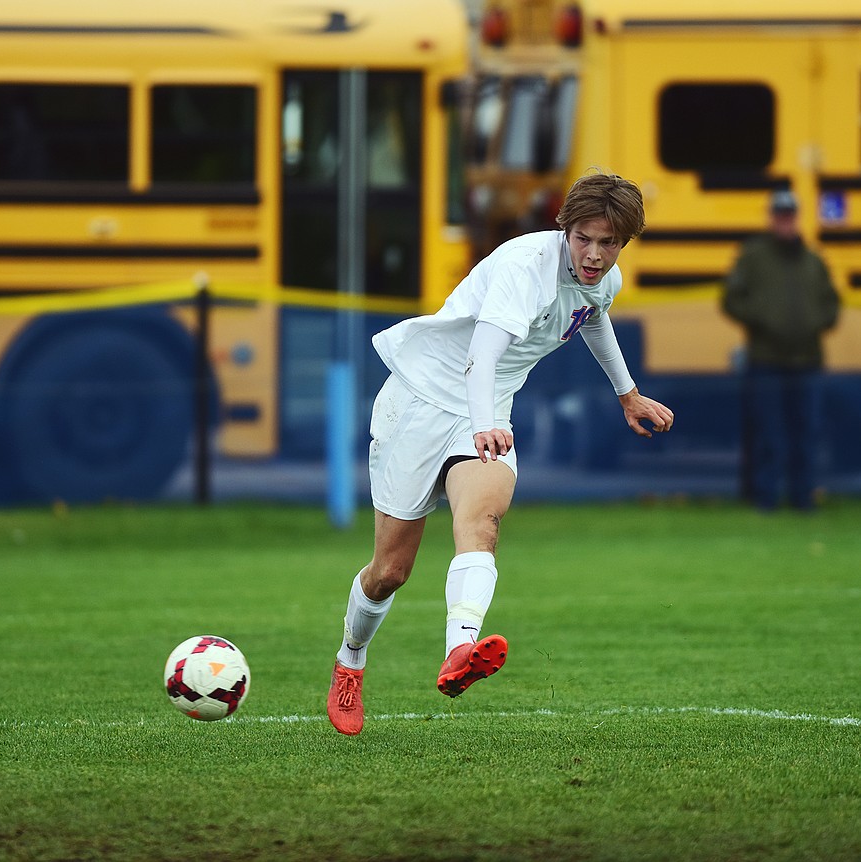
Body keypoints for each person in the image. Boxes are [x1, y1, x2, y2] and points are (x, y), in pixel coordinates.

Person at [325, 171, 675, 735]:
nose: (594, 253)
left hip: (485, 416)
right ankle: (350, 662)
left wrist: (627, 395)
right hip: (419, 401)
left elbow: (594, 319)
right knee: (390, 571)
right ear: (565, 229)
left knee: (482, 519)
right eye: (583, 238)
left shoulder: (603, 280)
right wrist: (485, 422)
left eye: (608, 243)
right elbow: (482, 355)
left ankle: (460, 648)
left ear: (623, 243)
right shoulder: (523, 269)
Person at [721, 189, 841, 511]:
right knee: (768, 433)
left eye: (789, 216)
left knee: (807, 432)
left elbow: (831, 303)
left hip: (808, 360)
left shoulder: (813, 260)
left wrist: (817, 322)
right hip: (766, 360)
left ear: (796, 218)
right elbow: (731, 299)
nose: (785, 222)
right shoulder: (753, 256)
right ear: (772, 217)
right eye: (780, 215)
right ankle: (765, 498)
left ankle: (803, 498)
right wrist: (761, 321)